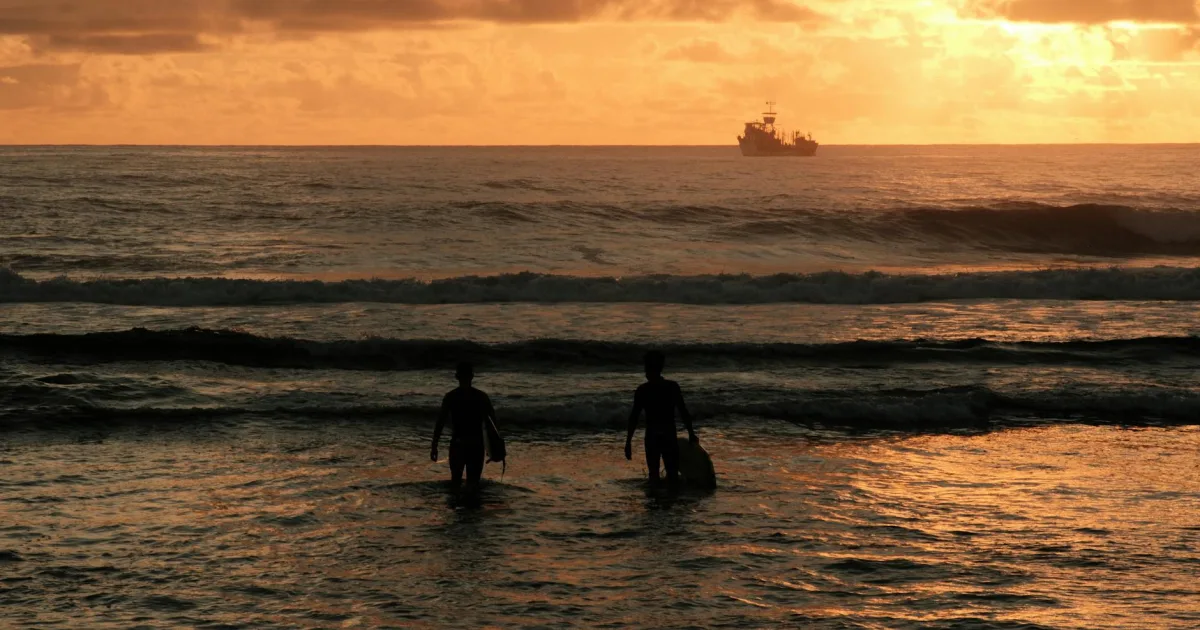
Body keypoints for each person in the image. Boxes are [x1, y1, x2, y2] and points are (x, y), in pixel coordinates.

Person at [625, 351, 697, 484]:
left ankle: (655, 501)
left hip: (652, 436)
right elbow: (683, 412)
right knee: (672, 474)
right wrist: (691, 433)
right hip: (669, 434)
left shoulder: (643, 390)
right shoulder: (672, 387)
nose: (645, 372)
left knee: (654, 476)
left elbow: (634, 417)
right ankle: (670, 500)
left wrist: (628, 442)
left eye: (646, 368)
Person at [431, 362, 497, 487]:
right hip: (476, 445)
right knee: (473, 483)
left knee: (455, 482)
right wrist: (492, 448)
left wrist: (434, 446)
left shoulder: (451, 397)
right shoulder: (481, 397)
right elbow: (492, 424)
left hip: (458, 444)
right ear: (472, 376)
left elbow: (440, 422)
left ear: (457, 377)